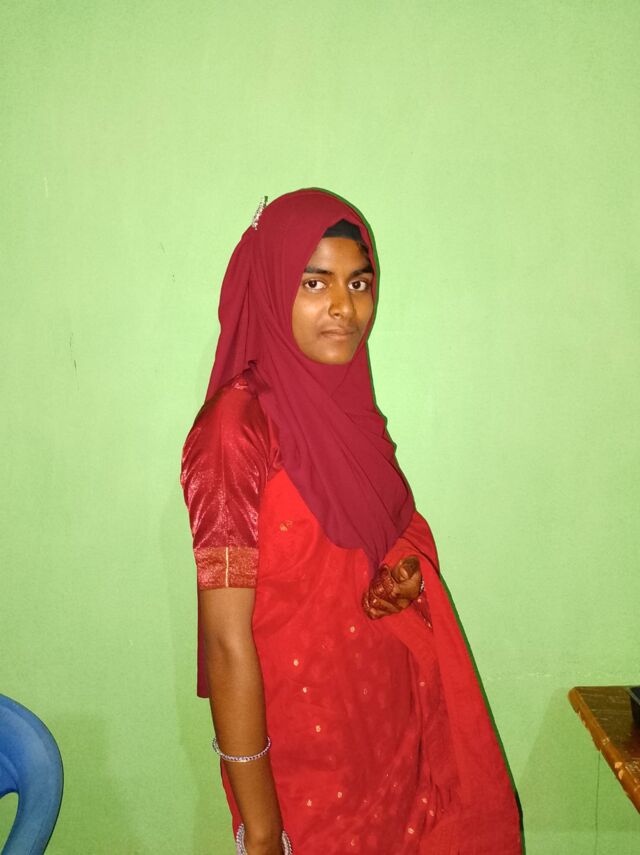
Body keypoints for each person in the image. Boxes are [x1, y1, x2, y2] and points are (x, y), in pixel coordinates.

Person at [180, 189, 522, 854]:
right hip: (302, 762)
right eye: (315, 282)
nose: (344, 306)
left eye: (359, 283)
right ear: (271, 285)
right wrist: (261, 828)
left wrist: (403, 575)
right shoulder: (237, 431)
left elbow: (386, 538)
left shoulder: (353, 413)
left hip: (392, 733)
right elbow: (225, 641)